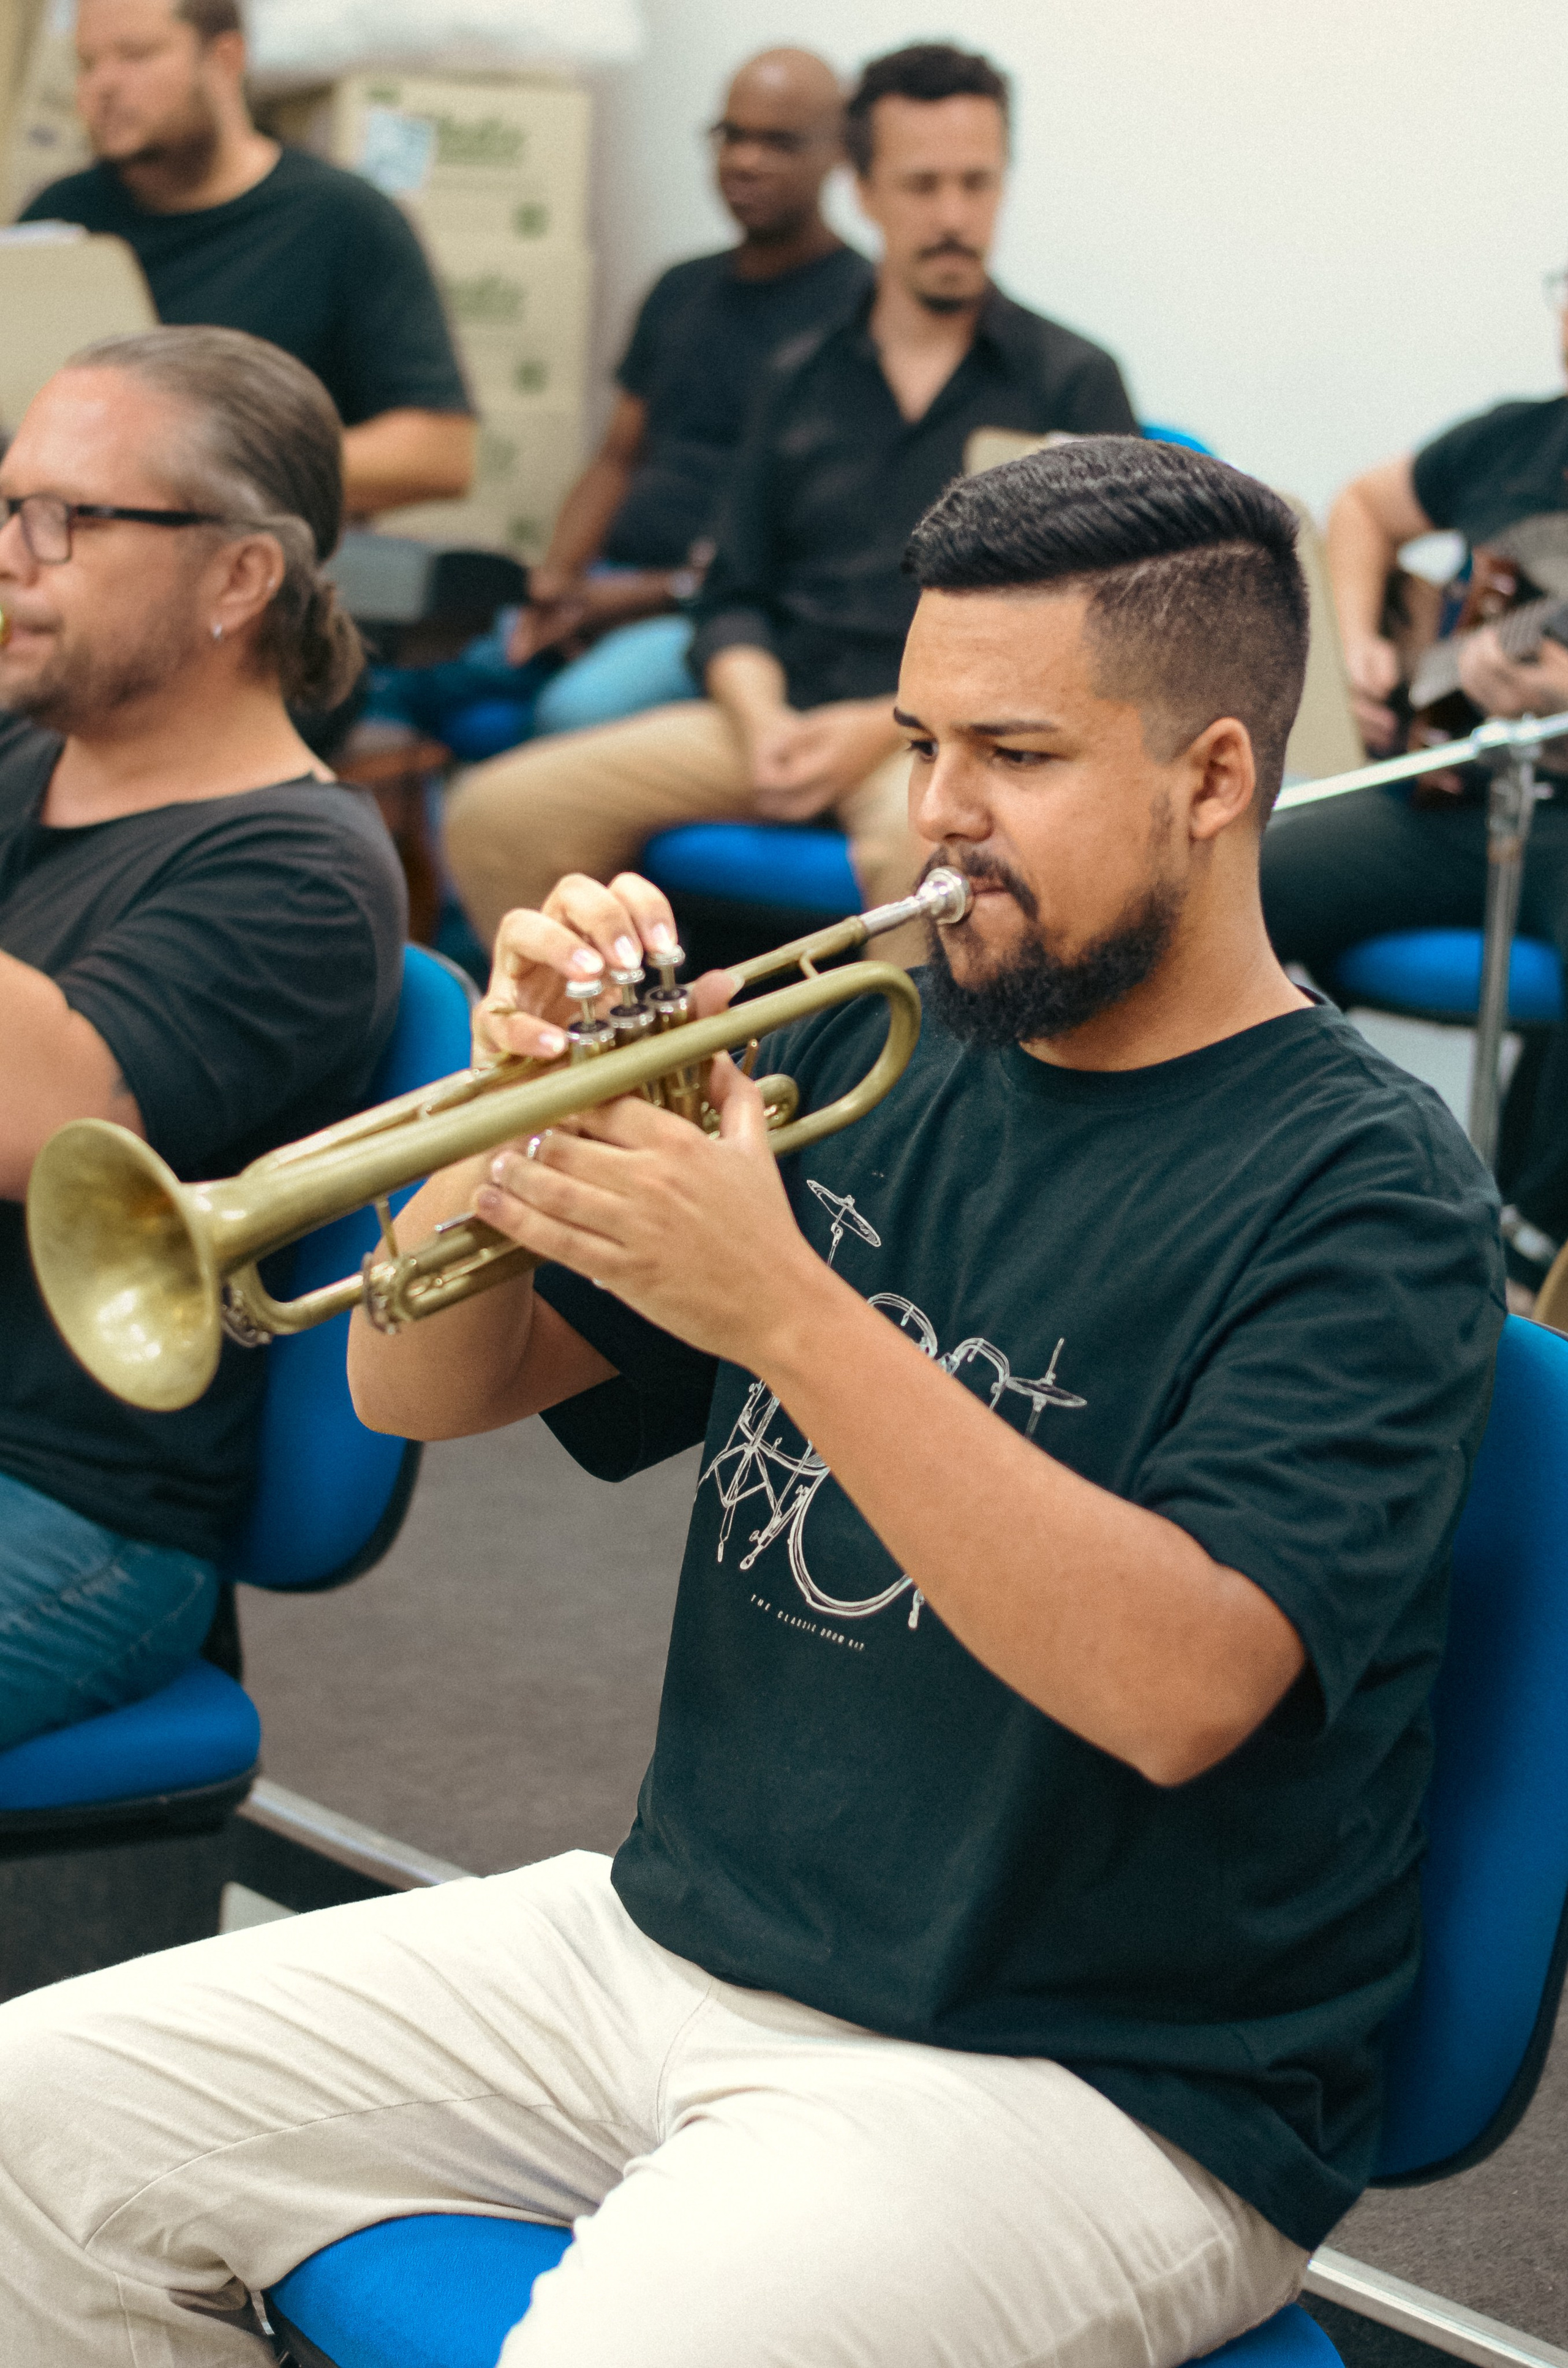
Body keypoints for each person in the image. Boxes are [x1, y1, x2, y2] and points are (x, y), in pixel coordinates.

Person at [0, 440, 1504, 2367]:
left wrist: (788, 1311)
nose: (937, 819)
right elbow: (414, 1382)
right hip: (668, 1938)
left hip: (1085, 2074)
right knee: (34, 2114)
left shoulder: (1363, 1187)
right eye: (919, 740)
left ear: (1214, 777)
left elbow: (1180, 1684)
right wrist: (503, 1100)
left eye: (1015, 756)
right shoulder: (889, 1035)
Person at [444, 40, 1140, 954]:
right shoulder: (798, 372)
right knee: (496, 814)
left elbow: (1092, 637)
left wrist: (878, 727)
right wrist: (760, 715)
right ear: (863, 189)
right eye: (923, 186)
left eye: (978, 185)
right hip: (778, 712)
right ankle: (636, 1084)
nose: (954, 217)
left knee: (938, 870)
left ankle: (913, 1102)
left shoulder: (1069, 385)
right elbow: (733, 590)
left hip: (953, 740)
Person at [0, 325, 405, 1751]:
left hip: (70, 1507)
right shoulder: (23, 760)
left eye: (64, 518)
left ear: (239, 576)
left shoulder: (301, 873)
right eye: (6, 504)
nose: (12, 551)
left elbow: (43, 1121)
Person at [1262, 263, 1568, 1297]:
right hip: (1449, 788)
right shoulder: (1513, 439)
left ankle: (1525, 1269)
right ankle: (1264, 1174)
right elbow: (1361, 509)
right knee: (1223, 879)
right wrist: (1361, 648)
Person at [17, 0, 473, 518]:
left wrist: (204, 468)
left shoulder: (343, 219)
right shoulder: (57, 219)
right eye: (87, 65)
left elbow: (441, 452)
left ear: (225, 58)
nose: (104, 85)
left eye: (136, 55)